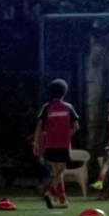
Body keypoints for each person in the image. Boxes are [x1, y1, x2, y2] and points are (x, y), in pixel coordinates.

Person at [33, 79, 79, 209]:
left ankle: (63, 200)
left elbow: (39, 126)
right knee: (60, 172)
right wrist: (67, 135)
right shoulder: (68, 107)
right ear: (64, 92)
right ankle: (49, 191)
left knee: (56, 172)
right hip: (64, 144)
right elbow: (76, 127)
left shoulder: (46, 107)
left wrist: (36, 143)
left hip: (50, 145)